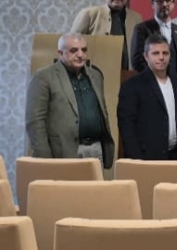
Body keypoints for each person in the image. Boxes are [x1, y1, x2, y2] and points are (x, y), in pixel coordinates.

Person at [25, 33, 115, 171]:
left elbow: (103, 112)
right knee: (66, 192)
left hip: (95, 150)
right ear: (60, 53)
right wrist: (45, 160)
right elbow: (35, 122)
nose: (80, 55)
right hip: (63, 152)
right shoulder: (44, 77)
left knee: (95, 192)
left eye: (84, 50)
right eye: (73, 50)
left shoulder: (95, 75)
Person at [117, 34, 177, 160]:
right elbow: (127, 126)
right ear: (146, 56)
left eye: (165, 53)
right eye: (155, 53)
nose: (161, 57)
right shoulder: (132, 86)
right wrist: (136, 159)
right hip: (146, 157)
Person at [70, 0, 143, 71]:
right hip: (93, 73)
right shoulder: (89, 14)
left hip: (127, 74)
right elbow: (71, 44)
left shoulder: (136, 18)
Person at [130, 0, 177, 91]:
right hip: (151, 89)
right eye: (160, 1)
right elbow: (137, 61)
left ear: (173, 4)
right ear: (152, 4)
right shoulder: (142, 29)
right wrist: (156, 83)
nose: (164, 4)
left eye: (168, 1)